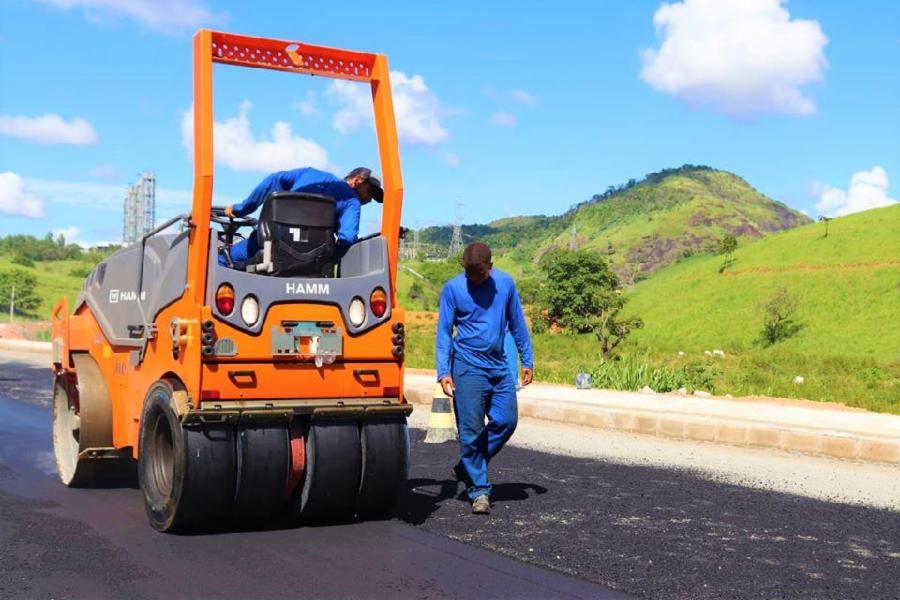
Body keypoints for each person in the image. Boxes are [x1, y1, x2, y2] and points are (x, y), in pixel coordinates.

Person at [435, 242, 534, 515]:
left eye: (478, 274)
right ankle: (479, 490)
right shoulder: (453, 289)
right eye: (469, 274)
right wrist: (443, 371)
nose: (473, 279)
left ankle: (468, 464)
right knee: (471, 432)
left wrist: (527, 359)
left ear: (491, 267)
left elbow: (517, 323)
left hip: (499, 366)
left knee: (506, 420)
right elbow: (444, 332)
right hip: (467, 368)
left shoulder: (506, 284)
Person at [218, 166, 383, 266]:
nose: (368, 200)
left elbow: (273, 179)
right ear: (357, 180)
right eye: (369, 192)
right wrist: (328, 258)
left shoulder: (309, 174)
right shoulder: (351, 202)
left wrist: (242, 209)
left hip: (272, 241)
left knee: (224, 260)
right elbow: (347, 238)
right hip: (313, 262)